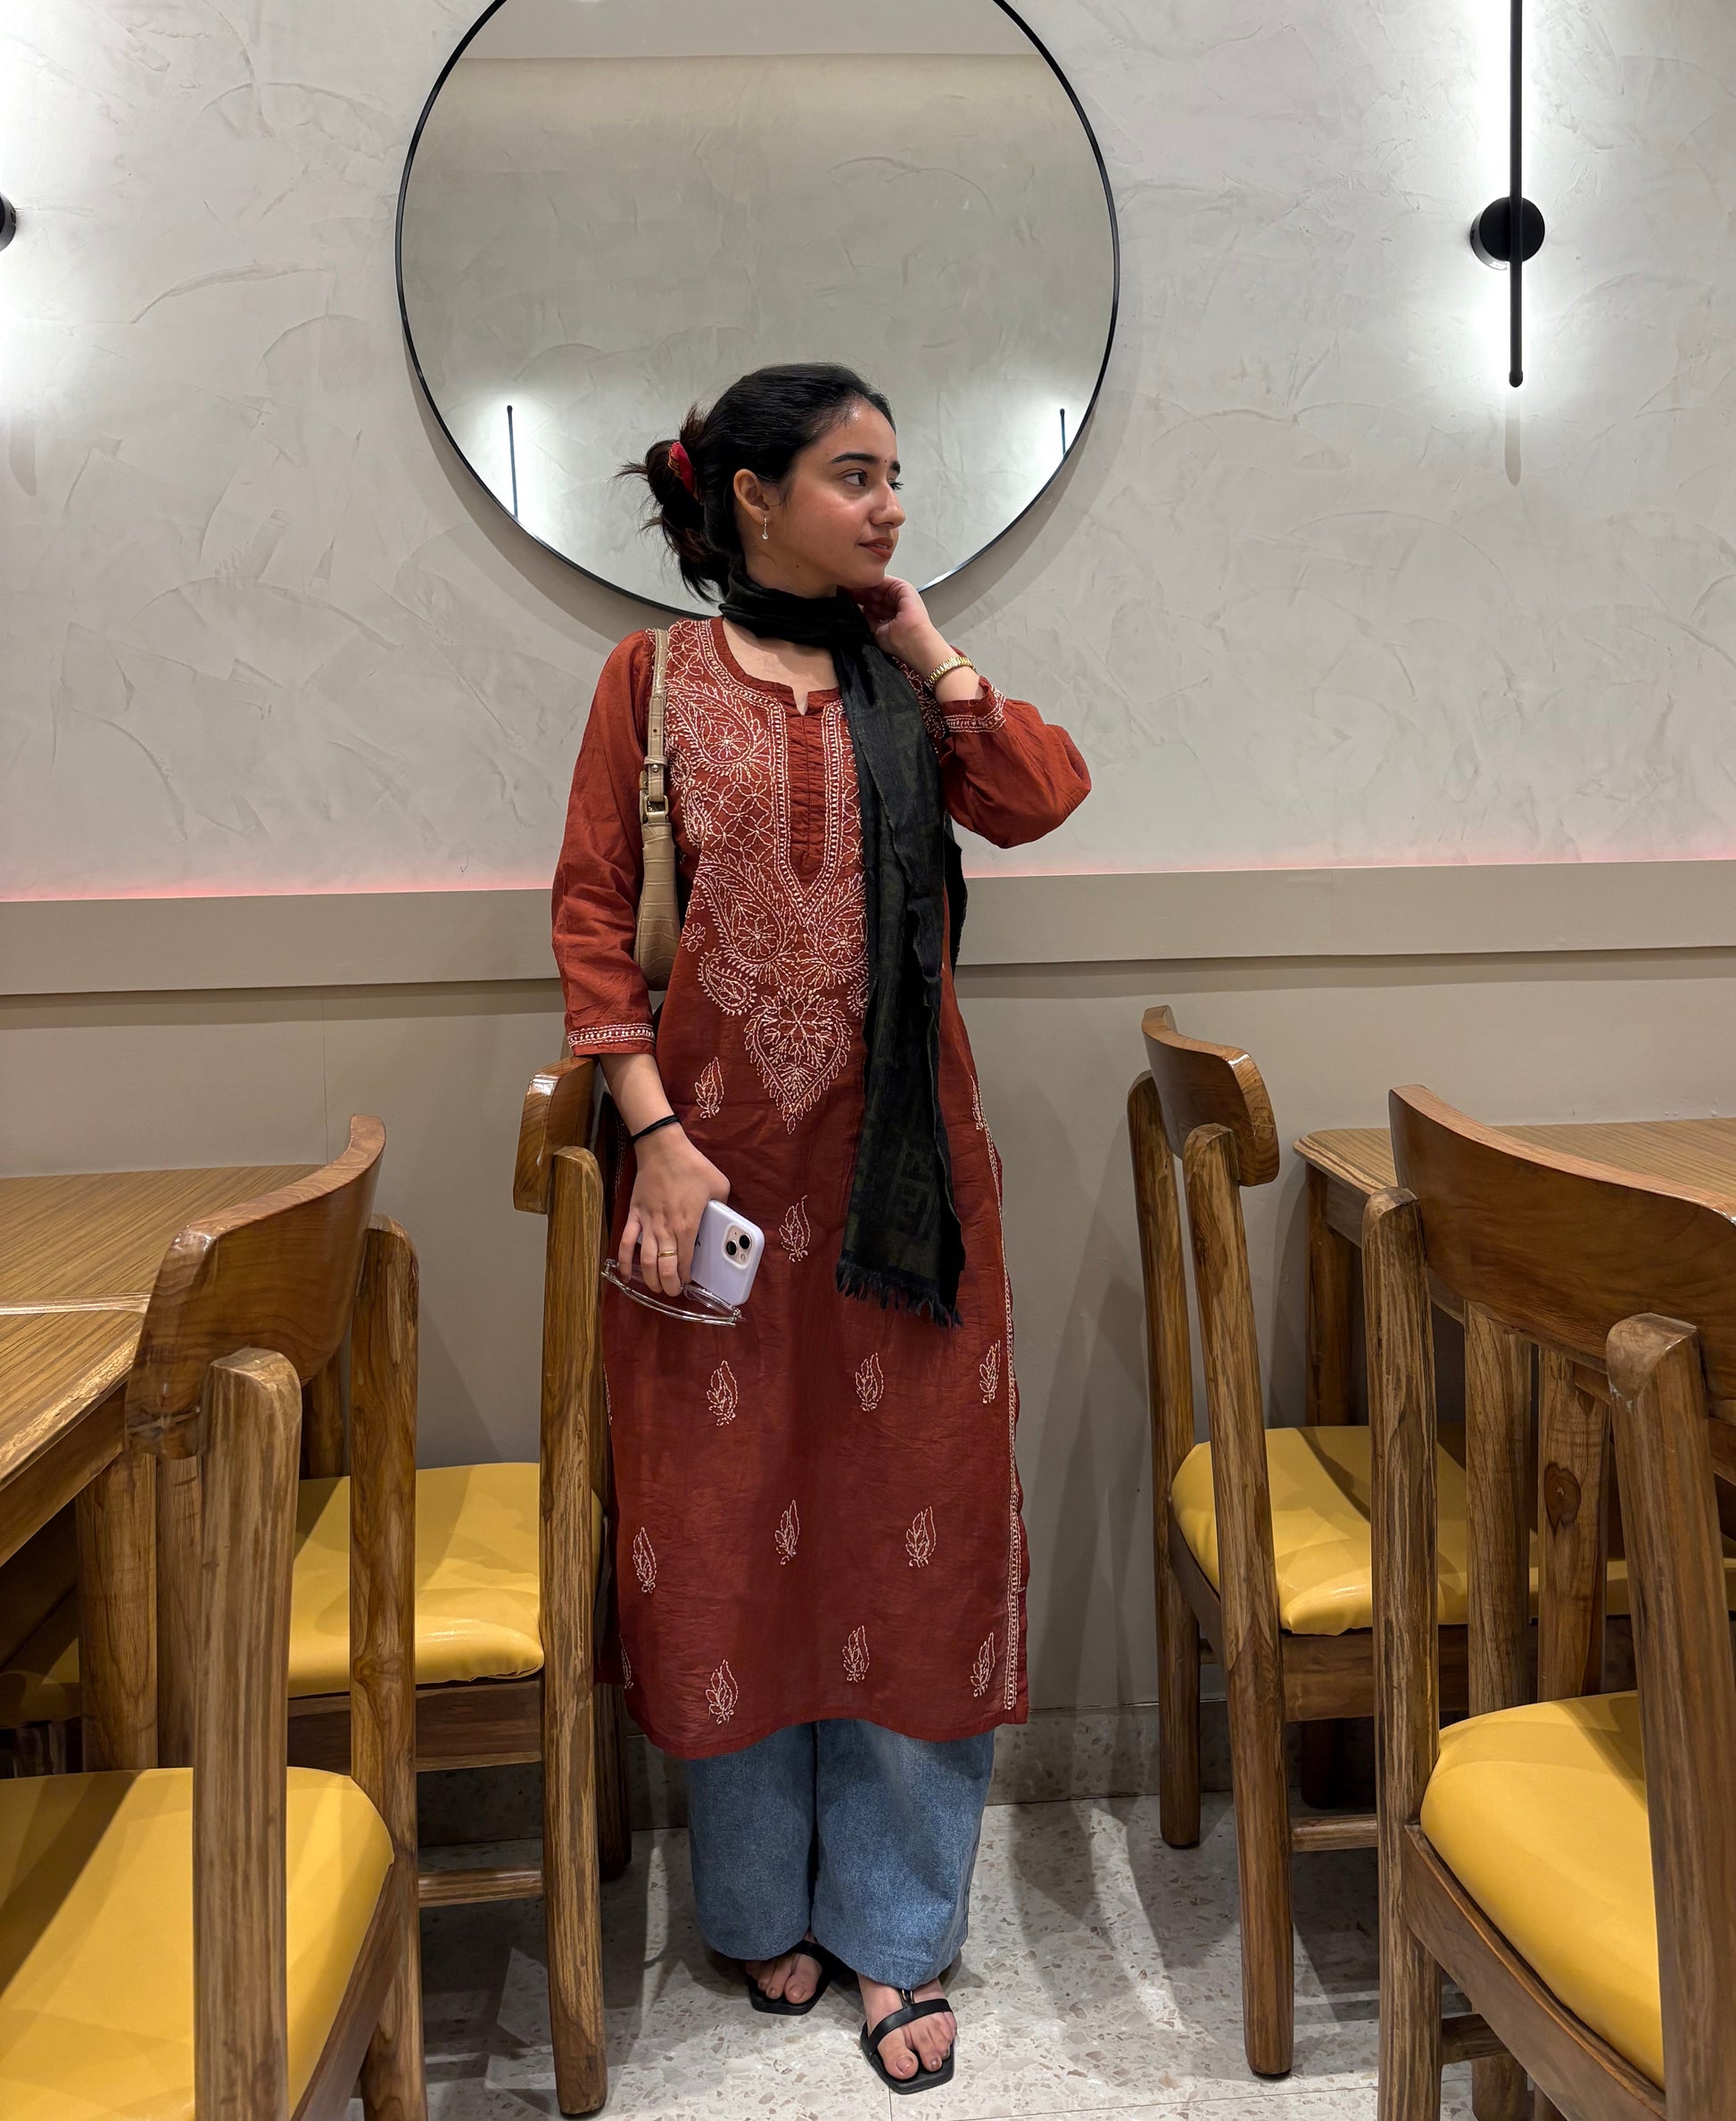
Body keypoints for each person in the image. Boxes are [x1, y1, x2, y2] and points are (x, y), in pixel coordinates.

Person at [550, 361, 1090, 2092]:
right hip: (711, 1191)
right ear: (753, 495)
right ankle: (755, 1901)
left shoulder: (896, 682)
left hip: (905, 1195)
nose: (889, 506)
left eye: (896, 475)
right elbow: (589, 920)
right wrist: (656, 1141)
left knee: (908, 1532)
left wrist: (924, 644)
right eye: (854, 476)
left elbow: (1040, 794)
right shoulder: (649, 681)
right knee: (727, 1529)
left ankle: (897, 1927)